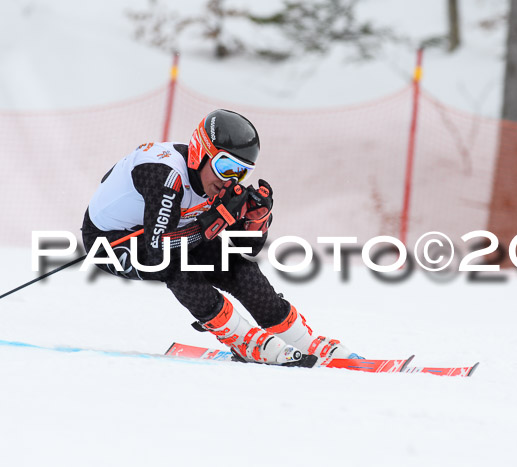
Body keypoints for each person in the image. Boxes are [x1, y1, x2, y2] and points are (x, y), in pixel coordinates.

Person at [82, 109, 359, 366]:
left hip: (165, 233)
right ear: (199, 154)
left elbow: (245, 250)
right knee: (178, 268)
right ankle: (241, 339)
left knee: (236, 266)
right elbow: (159, 253)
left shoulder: (215, 182)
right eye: (226, 166)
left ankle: (306, 342)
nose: (230, 180)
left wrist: (255, 222)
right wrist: (212, 223)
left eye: (241, 172)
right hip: (109, 241)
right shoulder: (166, 175)